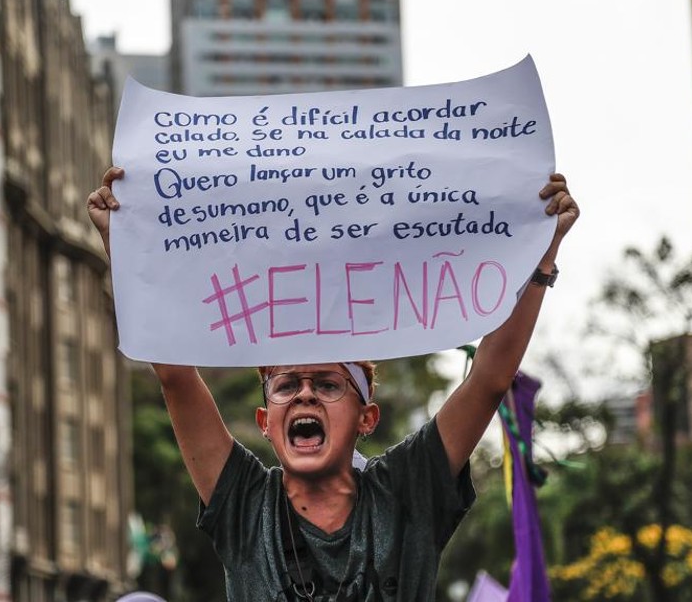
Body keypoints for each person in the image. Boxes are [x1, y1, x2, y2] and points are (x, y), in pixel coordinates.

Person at [88, 166, 579, 601]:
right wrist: (124, 245)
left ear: (367, 417)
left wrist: (541, 255)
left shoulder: (407, 492)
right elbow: (174, 376)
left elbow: (490, 379)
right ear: (265, 421)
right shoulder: (243, 504)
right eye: (286, 386)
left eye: (327, 385)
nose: (304, 393)